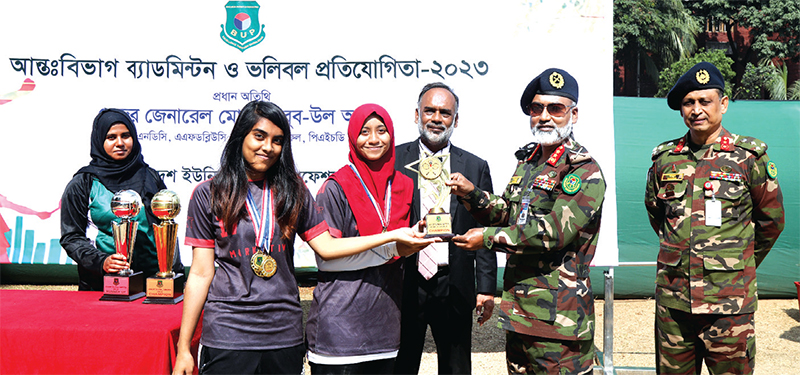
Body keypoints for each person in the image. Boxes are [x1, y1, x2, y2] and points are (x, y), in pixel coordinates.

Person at [172, 101, 435, 375]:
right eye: (259, 136)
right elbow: (201, 274)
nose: (267, 147)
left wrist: (391, 237)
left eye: (277, 141)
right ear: (241, 137)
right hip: (228, 333)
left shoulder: (292, 189)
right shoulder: (209, 194)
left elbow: (327, 247)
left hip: (283, 333)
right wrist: (183, 349)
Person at [448, 68, 605, 374]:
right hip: (520, 313)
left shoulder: (583, 170)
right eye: (537, 109)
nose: (544, 117)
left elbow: (554, 232)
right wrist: (473, 195)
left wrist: (488, 238)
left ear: (574, 114)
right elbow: (509, 213)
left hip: (560, 321)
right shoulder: (529, 163)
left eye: (555, 108)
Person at [645, 62, 784, 374]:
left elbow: (771, 221)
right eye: (688, 102)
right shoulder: (665, 159)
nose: (696, 110)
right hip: (675, 301)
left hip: (729, 303)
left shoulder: (748, 157)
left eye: (704, 101)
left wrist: (735, 262)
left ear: (723, 104)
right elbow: (658, 215)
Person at [306, 103, 419, 374]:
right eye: (364, 131)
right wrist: (390, 242)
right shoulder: (335, 187)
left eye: (381, 130)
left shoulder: (404, 185)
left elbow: (401, 249)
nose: (373, 139)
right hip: (339, 335)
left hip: (385, 330)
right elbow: (327, 260)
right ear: (353, 137)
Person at [393, 82, 496, 375]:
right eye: (430, 111)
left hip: (454, 281)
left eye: (445, 113)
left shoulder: (475, 166)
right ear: (417, 115)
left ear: (456, 120)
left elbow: (484, 225)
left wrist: (486, 288)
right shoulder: (394, 161)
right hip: (406, 279)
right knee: (402, 363)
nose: (436, 118)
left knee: (456, 365)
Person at [60, 108, 183, 291]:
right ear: (99, 141)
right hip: (103, 285)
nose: (120, 143)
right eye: (111, 137)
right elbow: (71, 237)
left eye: (125, 136)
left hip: (153, 284)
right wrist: (102, 262)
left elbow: (164, 227)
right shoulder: (83, 183)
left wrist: (173, 273)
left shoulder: (150, 177)